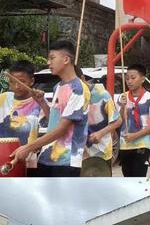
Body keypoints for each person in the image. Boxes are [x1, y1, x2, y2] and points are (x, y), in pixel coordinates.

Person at [10, 40, 91, 177]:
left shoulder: (79, 89)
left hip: (66, 161)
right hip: (47, 158)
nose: (49, 63)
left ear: (66, 59)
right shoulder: (58, 86)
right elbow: (54, 121)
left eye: (52, 58)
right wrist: (42, 102)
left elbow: (62, 129)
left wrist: (29, 147)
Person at [0, 60, 49, 176]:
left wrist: (42, 103)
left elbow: (53, 125)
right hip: (3, 157)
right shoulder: (3, 98)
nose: (16, 86)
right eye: (12, 82)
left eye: (21, 82)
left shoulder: (39, 101)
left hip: (29, 161)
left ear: (31, 81)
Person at [117, 64, 150, 177]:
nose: (129, 81)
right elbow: (118, 120)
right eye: (127, 78)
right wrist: (122, 106)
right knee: (127, 177)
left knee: (139, 177)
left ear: (142, 79)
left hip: (142, 144)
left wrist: (135, 135)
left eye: (133, 78)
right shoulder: (123, 97)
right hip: (125, 144)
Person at [78, 68, 122, 170]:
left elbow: (118, 121)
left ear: (83, 78)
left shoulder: (102, 95)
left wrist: (100, 133)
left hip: (101, 152)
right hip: (79, 154)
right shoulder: (71, 95)